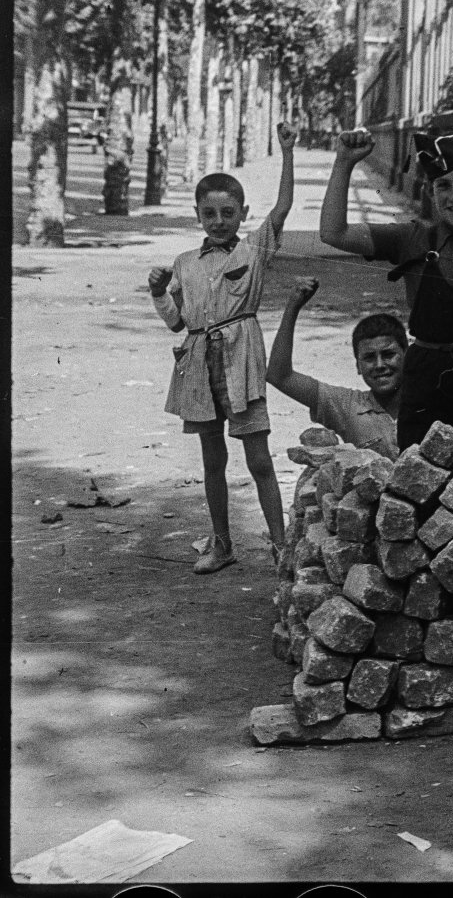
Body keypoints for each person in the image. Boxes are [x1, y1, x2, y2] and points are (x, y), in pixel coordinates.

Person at [318, 129, 453, 448]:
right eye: (443, 186)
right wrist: (343, 163)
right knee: (420, 483)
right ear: (429, 191)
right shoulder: (410, 240)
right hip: (426, 383)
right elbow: (333, 233)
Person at [147, 122, 297, 574]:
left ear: (242, 213)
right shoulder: (184, 263)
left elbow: (284, 206)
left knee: (259, 459)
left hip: (241, 363)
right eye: (209, 215)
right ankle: (222, 543)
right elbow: (176, 323)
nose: (218, 222)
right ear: (197, 215)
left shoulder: (253, 251)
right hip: (197, 367)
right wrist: (158, 292)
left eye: (228, 213)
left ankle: (281, 546)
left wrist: (286, 151)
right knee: (213, 461)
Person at [266, 277, 405, 459]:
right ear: (357, 365)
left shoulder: (430, 400)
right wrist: (293, 307)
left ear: (407, 356)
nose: (380, 365)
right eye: (369, 358)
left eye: (388, 355)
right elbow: (279, 376)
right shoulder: (348, 406)